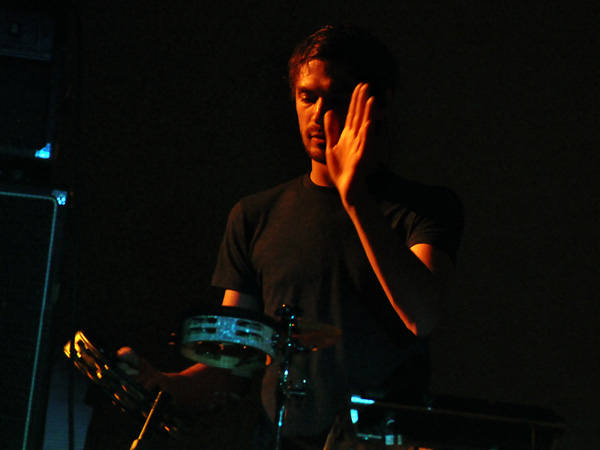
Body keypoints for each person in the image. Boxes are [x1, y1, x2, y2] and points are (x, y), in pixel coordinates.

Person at [119, 24, 463, 450]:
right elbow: (232, 365)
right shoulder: (255, 216)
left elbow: (423, 316)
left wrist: (354, 197)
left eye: (337, 98)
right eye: (307, 97)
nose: (319, 114)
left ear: (379, 104)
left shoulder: (424, 208)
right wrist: (161, 383)